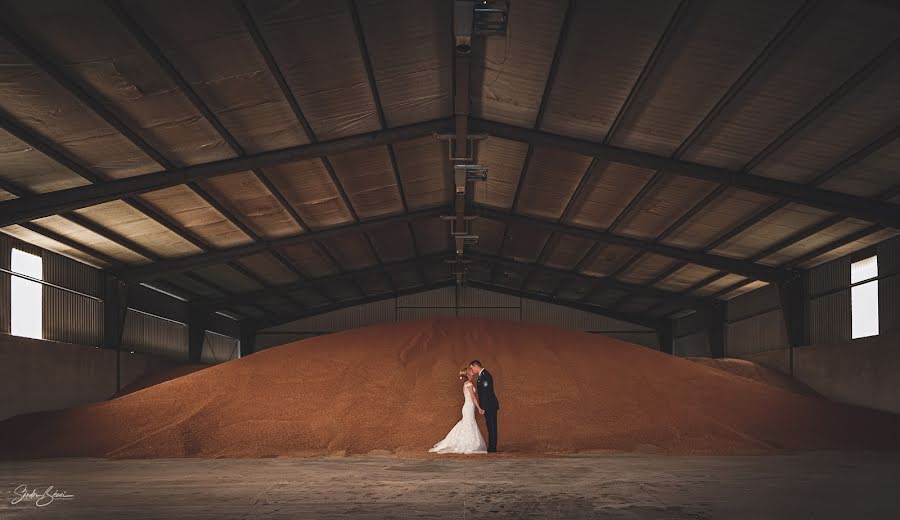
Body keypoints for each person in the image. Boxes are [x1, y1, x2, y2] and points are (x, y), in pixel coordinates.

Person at [429, 369, 487, 454]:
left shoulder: (466, 384)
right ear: (467, 375)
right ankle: (468, 444)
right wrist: (479, 407)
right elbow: (473, 397)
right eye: (470, 372)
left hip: (467, 406)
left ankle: (466, 443)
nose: (472, 373)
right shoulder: (469, 384)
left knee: (467, 423)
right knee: (469, 423)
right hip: (469, 407)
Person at [469, 360, 499, 453]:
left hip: (490, 405)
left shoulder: (485, 375)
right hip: (487, 405)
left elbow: (486, 392)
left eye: (471, 368)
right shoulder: (481, 376)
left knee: (492, 426)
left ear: (475, 366)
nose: (471, 370)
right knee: (490, 426)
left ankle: (492, 448)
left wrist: (483, 407)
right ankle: (491, 447)